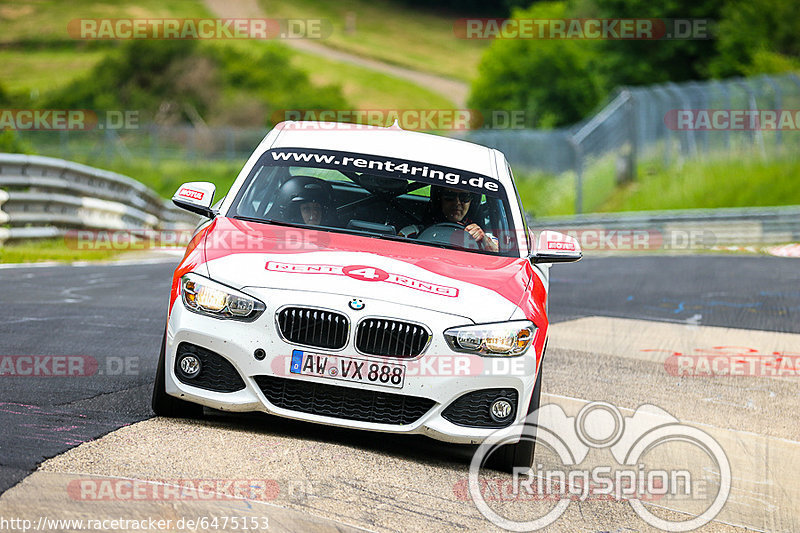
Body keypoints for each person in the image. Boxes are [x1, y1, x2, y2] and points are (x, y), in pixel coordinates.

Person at [402, 186, 499, 252]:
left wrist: (483, 240)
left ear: (472, 202)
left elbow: (499, 256)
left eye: (464, 197)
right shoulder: (411, 233)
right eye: (449, 196)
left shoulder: (484, 237)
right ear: (439, 200)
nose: (457, 203)